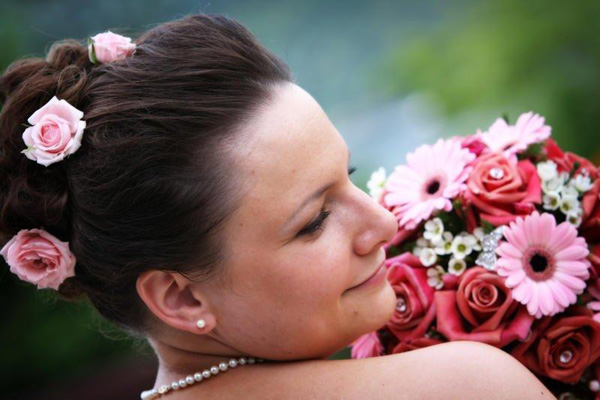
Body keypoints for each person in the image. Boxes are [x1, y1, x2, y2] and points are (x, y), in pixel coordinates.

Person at [0, 12, 555, 400]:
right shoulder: (465, 389)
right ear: (181, 295)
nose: (383, 223)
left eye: (350, 177)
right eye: (314, 222)